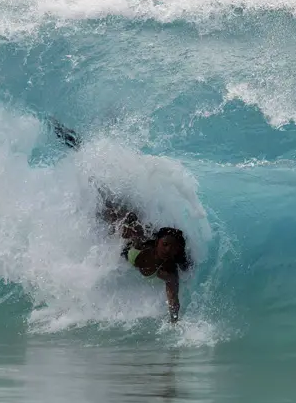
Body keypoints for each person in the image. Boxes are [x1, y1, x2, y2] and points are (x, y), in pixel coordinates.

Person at [51, 117, 192, 323]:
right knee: (95, 182)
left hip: (119, 229)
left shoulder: (169, 272)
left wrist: (174, 321)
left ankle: (90, 145)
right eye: (166, 244)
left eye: (173, 248)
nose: (168, 249)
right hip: (115, 215)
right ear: (158, 242)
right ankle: (73, 140)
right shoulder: (141, 238)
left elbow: (173, 297)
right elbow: (122, 228)